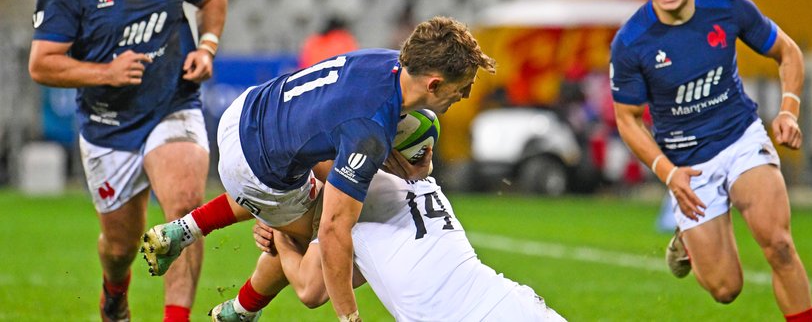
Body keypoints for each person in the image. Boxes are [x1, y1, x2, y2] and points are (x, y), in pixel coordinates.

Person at [140, 16, 496, 321]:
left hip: (247, 111)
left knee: (332, 189)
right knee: (314, 239)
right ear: (433, 83)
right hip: (256, 169)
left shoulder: (387, 64)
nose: (463, 97)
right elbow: (332, 232)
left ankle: (184, 230)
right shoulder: (370, 129)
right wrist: (348, 315)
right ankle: (241, 309)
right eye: (461, 89)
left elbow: (342, 122)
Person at [28, 0, 228, 322]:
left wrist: (207, 46)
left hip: (172, 105)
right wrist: (107, 72)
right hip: (108, 128)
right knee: (120, 246)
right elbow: (42, 63)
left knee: (183, 209)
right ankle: (115, 290)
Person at [609, 0, 812, 322]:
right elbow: (628, 120)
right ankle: (687, 238)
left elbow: (788, 52)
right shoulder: (632, 43)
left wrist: (788, 110)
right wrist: (669, 174)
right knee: (725, 289)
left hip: (740, 137)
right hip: (687, 163)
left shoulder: (727, 9)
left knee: (779, 246)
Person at [210, 168, 565, 321]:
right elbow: (359, 272)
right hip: (515, 304)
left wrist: (283, 235)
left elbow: (311, 289)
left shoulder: (353, 192)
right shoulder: (425, 186)